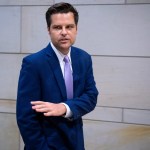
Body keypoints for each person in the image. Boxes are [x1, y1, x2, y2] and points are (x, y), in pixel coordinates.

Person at [16, 2, 98, 150]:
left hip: (76, 144)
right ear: (49, 30)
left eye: (69, 27)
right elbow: (26, 118)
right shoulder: (33, 63)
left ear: (76, 29)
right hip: (45, 145)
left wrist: (64, 107)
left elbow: (91, 96)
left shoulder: (84, 58)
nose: (64, 32)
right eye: (57, 27)